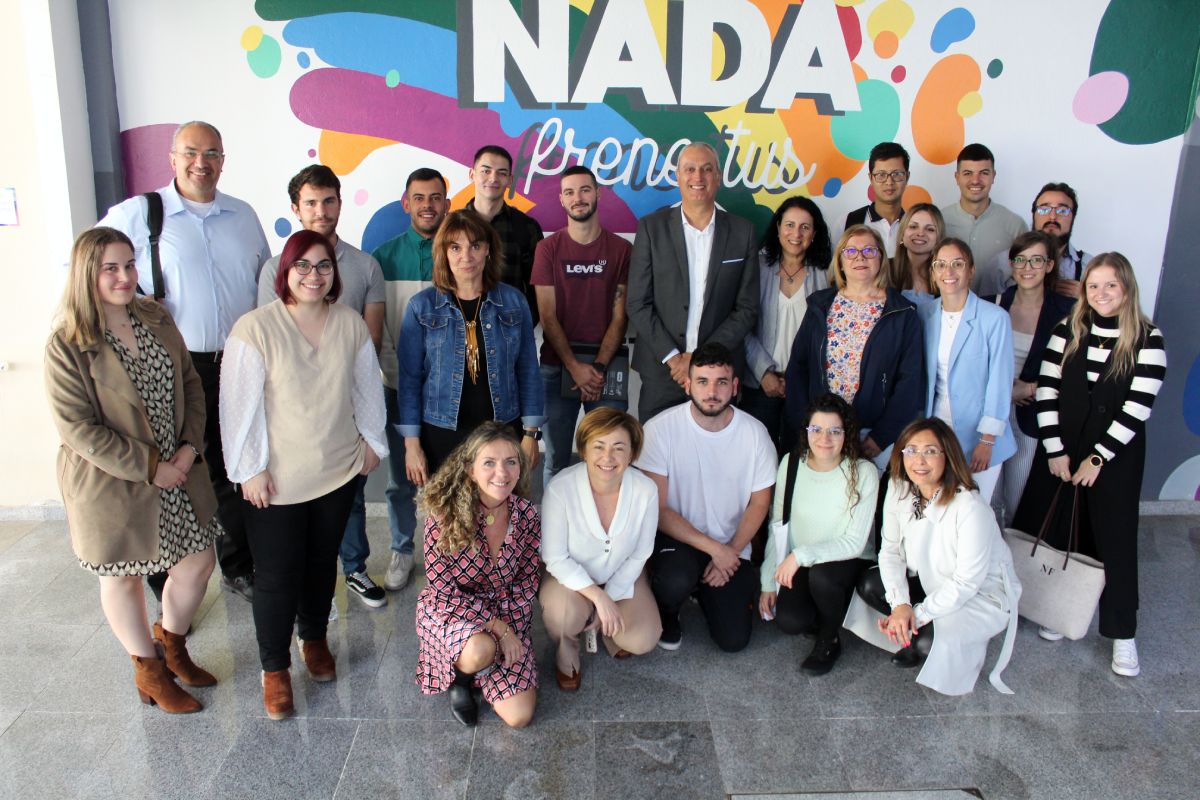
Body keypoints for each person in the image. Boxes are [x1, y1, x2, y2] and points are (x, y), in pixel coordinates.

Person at [45, 227, 220, 713]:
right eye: (110, 268)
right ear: (87, 274)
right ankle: (149, 671)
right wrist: (150, 467)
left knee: (198, 562)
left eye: (129, 265)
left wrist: (188, 448)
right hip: (113, 482)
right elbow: (77, 428)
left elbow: (191, 384)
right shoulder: (67, 342)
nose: (124, 277)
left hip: (179, 469)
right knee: (123, 576)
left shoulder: (155, 316)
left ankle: (173, 648)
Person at [98, 121, 269, 604]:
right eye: (191, 152)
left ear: (223, 160)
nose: (201, 162)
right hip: (171, 368)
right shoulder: (140, 213)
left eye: (212, 153)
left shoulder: (243, 215)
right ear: (172, 158)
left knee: (234, 466)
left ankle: (238, 567)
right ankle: (165, 583)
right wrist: (123, 309)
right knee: (172, 470)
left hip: (237, 362)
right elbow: (84, 265)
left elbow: (265, 284)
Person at [220, 229, 387, 720]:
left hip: (337, 471)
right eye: (303, 266)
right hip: (276, 480)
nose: (314, 275)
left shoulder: (350, 323)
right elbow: (238, 408)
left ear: (335, 273)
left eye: (324, 266)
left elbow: (365, 386)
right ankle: (274, 669)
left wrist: (373, 442)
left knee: (320, 564)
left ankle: (313, 638)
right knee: (276, 576)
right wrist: (249, 469)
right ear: (285, 271)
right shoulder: (255, 328)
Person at [1013, 254, 1166, 677]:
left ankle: (1122, 634)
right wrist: (1055, 449)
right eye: (1094, 285)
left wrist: (1099, 457)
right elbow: (1047, 390)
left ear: (1127, 288)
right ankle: (1059, 611)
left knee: (1114, 542)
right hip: (1061, 451)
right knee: (1059, 530)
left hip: (1114, 459)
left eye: (1110, 285)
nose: (1101, 293)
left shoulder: (1148, 338)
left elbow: (1138, 407)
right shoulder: (1069, 329)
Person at [258, 164, 388, 610]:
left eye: (328, 200)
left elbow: (370, 341)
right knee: (298, 505)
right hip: (291, 415)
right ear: (295, 208)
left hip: (344, 403)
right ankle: (314, 588)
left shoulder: (366, 266)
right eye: (310, 202)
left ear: (340, 203)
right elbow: (268, 341)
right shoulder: (275, 268)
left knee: (348, 496)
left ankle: (353, 569)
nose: (321, 210)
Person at [857, 418, 1020, 695]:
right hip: (931, 577)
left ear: (948, 456)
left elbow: (966, 583)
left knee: (927, 642)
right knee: (870, 584)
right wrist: (900, 606)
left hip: (979, 594)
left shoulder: (970, 507)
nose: (919, 460)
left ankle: (941, 636)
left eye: (930, 451)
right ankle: (911, 632)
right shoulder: (899, 487)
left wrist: (915, 614)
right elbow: (890, 550)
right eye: (911, 450)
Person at [638, 342, 777, 652]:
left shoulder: (755, 434)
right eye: (702, 381)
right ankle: (669, 611)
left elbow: (759, 502)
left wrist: (731, 552)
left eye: (721, 382)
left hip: (732, 543)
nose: (712, 391)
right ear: (688, 385)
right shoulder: (659, 430)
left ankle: (704, 589)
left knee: (734, 640)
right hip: (679, 541)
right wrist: (716, 550)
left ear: (735, 387)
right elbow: (659, 510)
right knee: (675, 579)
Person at [398, 209, 545, 486]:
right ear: (444, 252)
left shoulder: (514, 302)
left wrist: (531, 433)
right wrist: (411, 444)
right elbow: (409, 381)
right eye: (456, 247)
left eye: (475, 246)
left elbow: (528, 371)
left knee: (498, 508)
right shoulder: (421, 306)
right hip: (441, 431)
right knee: (447, 511)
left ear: (488, 249)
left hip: (502, 429)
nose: (466, 256)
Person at [415, 422, 540, 728]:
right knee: (479, 648)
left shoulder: (527, 515)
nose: (502, 472)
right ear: (471, 470)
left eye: (511, 462)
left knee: (519, 716)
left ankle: (485, 669)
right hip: (452, 611)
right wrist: (499, 630)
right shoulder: (443, 516)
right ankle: (461, 679)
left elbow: (526, 583)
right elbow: (443, 593)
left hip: (506, 612)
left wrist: (512, 632)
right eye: (489, 463)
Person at [626, 142, 760, 422]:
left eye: (706, 169)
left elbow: (746, 309)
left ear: (718, 177)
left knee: (717, 448)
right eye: (690, 169)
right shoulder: (651, 228)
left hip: (717, 376)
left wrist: (700, 359)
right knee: (655, 447)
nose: (698, 177)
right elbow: (638, 303)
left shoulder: (743, 232)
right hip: (663, 371)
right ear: (678, 176)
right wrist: (674, 358)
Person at [784, 225, 925, 469]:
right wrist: (805, 427)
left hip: (871, 435)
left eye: (869, 251)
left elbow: (909, 383)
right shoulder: (820, 306)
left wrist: (880, 438)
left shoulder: (903, 313)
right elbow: (798, 367)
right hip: (821, 434)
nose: (860, 257)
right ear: (840, 261)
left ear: (881, 258)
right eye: (850, 252)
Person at [540, 408, 661, 690]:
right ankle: (567, 653)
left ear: (632, 454)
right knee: (564, 618)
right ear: (584, 450)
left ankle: (606, 629)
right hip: (571, 579)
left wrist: (611, 595)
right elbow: (555, 557)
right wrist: (599, 598)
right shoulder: (560, 488)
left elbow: (641, 553)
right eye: (599, 446)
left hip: (622, 573)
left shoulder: (646, 490)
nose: (608, 457)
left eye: (619, 448)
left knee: (643, 639)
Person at [760, 394, 878, 675]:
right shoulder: (791, 463)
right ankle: (826, 610)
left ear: (846, 433)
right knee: (790, 621)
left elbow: (854, 542)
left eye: (835, 430)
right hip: (804, 561)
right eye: (817, 429)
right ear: (806, 431)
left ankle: (829, 638)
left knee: (823, 577)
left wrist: (799, 556)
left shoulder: (863, 471)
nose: (825, 438)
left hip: (847, 561)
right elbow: (778, 525)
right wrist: (767, 581)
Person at [372, 168, 450, 591]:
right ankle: (402, 549)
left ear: (447, 204)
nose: (427, 205)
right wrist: (396, 375)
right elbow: (379, 326)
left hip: (449, 391)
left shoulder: (458, 251)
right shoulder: (383, 257)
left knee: (448, 475)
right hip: (398, 386)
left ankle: (447, 552)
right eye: (419, 198)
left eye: (435, 197)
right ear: (406, 203)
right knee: (401, 478)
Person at [533, 165, 632, 487]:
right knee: (556, 461)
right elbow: (547, 316)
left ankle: (603, 521)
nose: (578, 198)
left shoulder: (621, 250)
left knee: (609, 460)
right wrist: (575, 367)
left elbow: (620, 317)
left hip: (607, 367)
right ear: (562, 200)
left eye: (585, 190)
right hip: (556, 367)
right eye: (570, 192)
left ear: (598, 194)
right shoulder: (547, 249)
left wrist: (597, 367)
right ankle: (554, 522)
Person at [918, 238, 1016, 504]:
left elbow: (1000, 382)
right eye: (941, 265)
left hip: (978, 437)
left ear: (971, 270)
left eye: (958, 264)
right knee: (936, 510)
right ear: (933, 272)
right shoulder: (924, 314)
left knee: (973, 511)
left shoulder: (994, 318)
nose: (948, 272)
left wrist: (987, 440)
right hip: (936, 432)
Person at [987, 231, 1074, 525]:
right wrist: (1004, 391)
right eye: (1020, 260)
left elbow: (1075, 374)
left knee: (1018, 502)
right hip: (991, 416)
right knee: (987, 501)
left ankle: (1015, 553)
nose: (1027, 267)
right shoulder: (992, 305)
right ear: (1011, 264)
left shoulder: (1067, 312)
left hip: (1032, 416)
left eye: (1036, 260)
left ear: (1049, 265)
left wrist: (1032, 388)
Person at [741, 196, 832, 453]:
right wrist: (764, 373)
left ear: (814, 233)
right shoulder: (757, 268)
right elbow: (741, 324)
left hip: (806, 387)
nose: (796, 234)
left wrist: (799, 378)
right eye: (790, 225)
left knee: (799, 459)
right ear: (778, 227)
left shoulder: (827, 274)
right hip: (760, 385)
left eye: (805, 227)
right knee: (758, 458)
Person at [464, 145, 544, 322]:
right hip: (459, 330)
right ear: (472, 175)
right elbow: (442, 282)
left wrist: (518, 327)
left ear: (509, 180)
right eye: (486, 171)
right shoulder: (453, 226)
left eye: (501, 173)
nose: (493, 178)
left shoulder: (527, 227)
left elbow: (538, 291)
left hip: (510, 331)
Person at [940, 143, 1027, 298]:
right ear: (957, 177)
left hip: (1001, 309)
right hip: (946, 308)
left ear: (993, 176)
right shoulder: (938, 222)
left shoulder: (1015, 225)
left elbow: (1027, 274)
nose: (975, 180)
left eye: (984, 173)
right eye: (967, 173)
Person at [842, 142, 910, 257]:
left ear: (907, 177)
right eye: (881, 175)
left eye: (896, 174)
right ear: (871, 178)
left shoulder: (915, 227)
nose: (889, 182)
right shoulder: (848, 222)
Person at [1031, 182, 1092, 298]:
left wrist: (1088, 298)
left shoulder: (1090, 267)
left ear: (1073, 217)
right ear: (1033, 214)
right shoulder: (1004, 265)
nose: (1052, 217)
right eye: (1044, 209)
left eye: (1063, 210)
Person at [887, 203, 944, 304]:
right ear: (902, 233)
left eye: (930, 229)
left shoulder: (946, 273)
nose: (920, 233)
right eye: (913, 227)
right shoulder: (884, 269)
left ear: (938, 237)